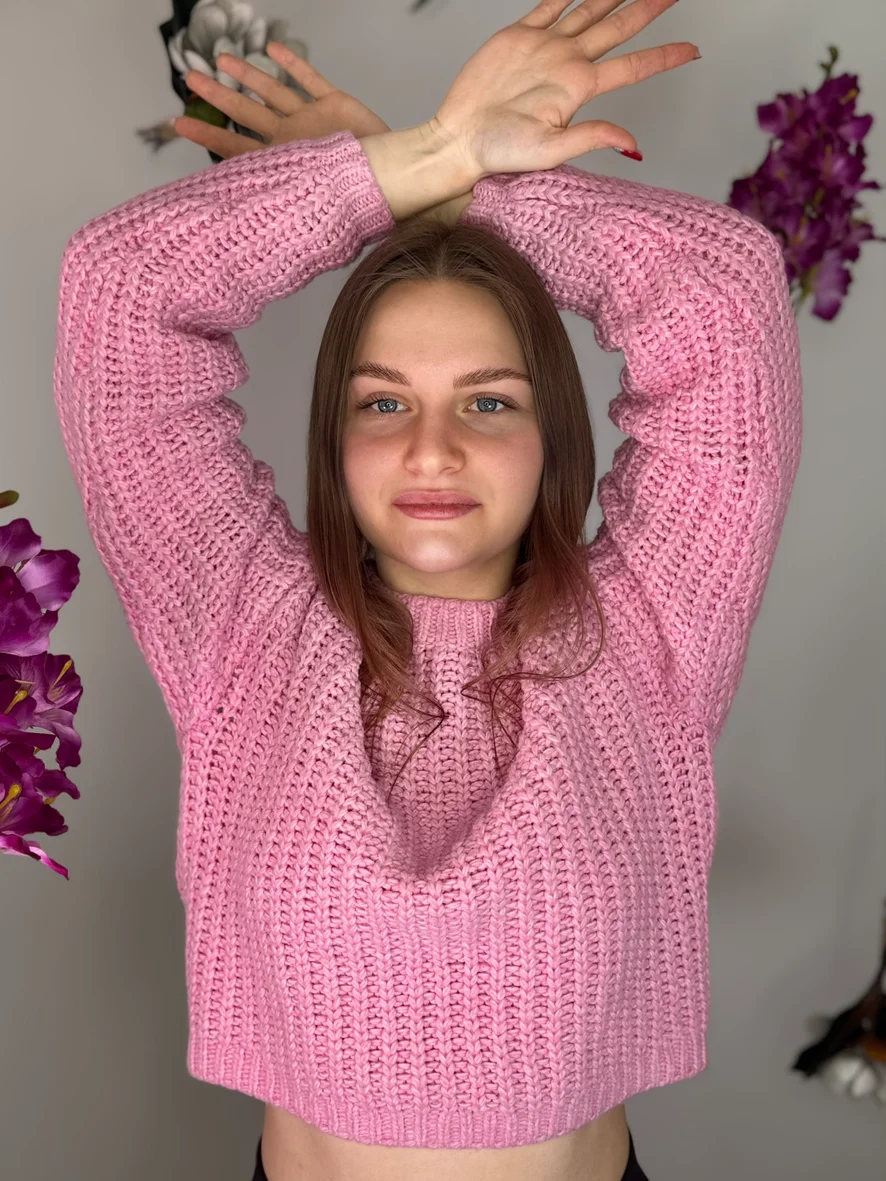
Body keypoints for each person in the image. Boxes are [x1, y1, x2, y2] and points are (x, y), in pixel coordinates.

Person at [52, 2, 803, 1180]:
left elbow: (725, 294)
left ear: (552, 433)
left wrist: (447, 193)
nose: (432, 450)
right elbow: (118, 292)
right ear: (335, 431)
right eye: (383, 401)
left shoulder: (650, 631)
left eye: (488, 400)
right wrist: (423, 158)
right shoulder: (241, 626)